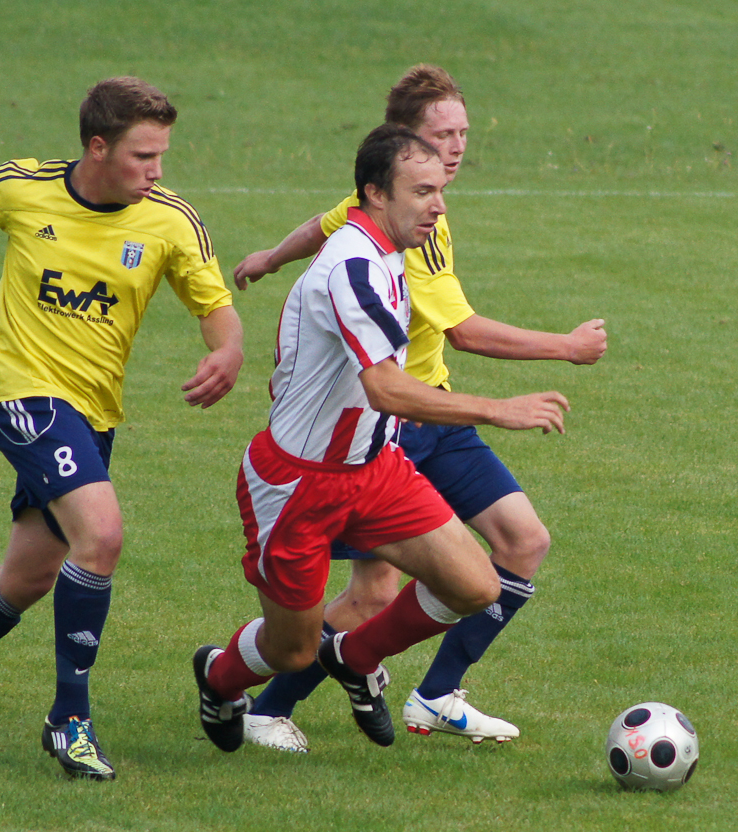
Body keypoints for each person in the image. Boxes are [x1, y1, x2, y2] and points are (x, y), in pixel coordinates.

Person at [0, 76, 244, 780]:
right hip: (22, 392)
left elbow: (215, 307)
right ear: (98, 147)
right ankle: (69, 721)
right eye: (143, 156)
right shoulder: (23, 187)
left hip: (93, 413)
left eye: (162, 155)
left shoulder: (171, 222)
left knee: (29, 576)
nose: (157, 171)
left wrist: (228, 350)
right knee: (103, 535)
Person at [232, 65, 607, 753]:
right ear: (400, 151)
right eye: (440, 137)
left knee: (523, 542)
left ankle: (435, 695)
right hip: (395, 425)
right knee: (372, 595)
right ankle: (267, 705)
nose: (454, 149)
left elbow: (318, 225)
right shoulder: (391, 231)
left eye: (463, 133)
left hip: (436, 415)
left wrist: (269, 257)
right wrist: (566, 348)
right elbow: (461, 330)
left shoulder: (420, 211)